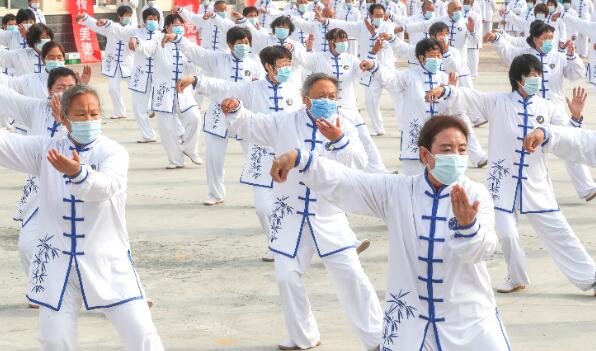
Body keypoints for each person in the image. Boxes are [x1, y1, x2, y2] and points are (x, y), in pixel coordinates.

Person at [270, 115, 512, 350]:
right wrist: (300, 158)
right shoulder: (398, 191)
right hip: (411, 321)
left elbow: (484, 250)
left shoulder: (476, 195)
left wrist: (468, 227)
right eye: (447, 149)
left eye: (462, 150)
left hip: (467, 320)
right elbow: (348, 181)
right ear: (424, 154)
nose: (456, 157)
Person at [219, 73, 383, 350]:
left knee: (353, 277)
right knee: (286, 277)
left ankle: (378, 340)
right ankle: (303, 337)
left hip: (328, 215)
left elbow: (357, 162)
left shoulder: (346, 125)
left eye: (332, 96)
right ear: (306, 99)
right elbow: (252, 124)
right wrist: (235, 109)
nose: (327, 101)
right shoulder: (286, 121)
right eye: (320, 96)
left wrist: (339, 138)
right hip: (290, 214)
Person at [0, 84, 164, 350]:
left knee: (141, 334)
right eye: (80, 114)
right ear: (63, 118)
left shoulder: (113, 152)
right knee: (54, 339)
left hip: (106, 261)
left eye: (94, 113)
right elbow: (6, 145)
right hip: (57, 265)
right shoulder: (47, 149)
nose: (89, 120)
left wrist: (78, 173)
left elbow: (106, 186)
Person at [425, 54, 596, 295]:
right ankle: (516, 277)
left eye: (538, 74)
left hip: (536, 184)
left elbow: (567, 136)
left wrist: (576, 117)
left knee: (560, 233)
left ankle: (591, 279)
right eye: (531, 75)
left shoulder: (548, 107)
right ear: (518, 79)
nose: (536, 79)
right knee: (507, 235)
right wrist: (445, 90)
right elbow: (469, 96)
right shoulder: (498, 102)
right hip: (501, 183)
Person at [485, 20, 596, 202]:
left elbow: (575, 74)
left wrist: (571, 56)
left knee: (570, 141)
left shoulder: (558, 56)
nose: (549, 41)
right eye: (546, 38)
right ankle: (529, 195)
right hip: (532, 109)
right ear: (535, 39)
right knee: (532, 154)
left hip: (556, 109)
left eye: (551, 37)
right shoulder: (525, 57)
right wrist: (497, 38)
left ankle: (587, 187)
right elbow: (507, 52)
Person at [166, 25, 264, 206]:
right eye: (239, 43)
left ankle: (262, 196)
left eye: (246, 42)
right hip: (219, 116)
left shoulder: (255, 65)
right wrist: (178, 39)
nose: (243, 45)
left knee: (255, 157)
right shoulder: (217, 59)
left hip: (245, 117)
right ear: (230, 44)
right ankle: (215, 194)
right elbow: (196, 52)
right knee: (213, 157)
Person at [292, 28, 387, 173]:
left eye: (345, 39)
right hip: (325, 108)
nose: (344, 42)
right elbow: (303, 58)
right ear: (331, 42)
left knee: (365, 138)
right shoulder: (318, 57)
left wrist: (372, 54)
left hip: (349, 108)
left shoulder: (351, 58)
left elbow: (362, 73)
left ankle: (379, 170)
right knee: (324, 141)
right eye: (340, 39)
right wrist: (292, 47)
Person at [360, 38, 450, 175]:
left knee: (439, 177)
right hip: (415, 137)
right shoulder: (410, 76)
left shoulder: (445, 78)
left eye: (439, 56)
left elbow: (453, 105)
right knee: (413, 179)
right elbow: (390, 79)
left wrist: (451, 91)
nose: (436, 59)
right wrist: (374, 66)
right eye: (432, 56)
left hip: (439, 135)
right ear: (421, 57)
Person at [78, 8, 161, 143]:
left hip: (131, 66)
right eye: (150, 19)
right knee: (116, 90)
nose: (152, 22)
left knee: (163, 104)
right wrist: (88, 18)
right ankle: (122, 114)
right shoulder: (129, 31)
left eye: (155, 19)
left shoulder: (149, 33)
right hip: (116, 66)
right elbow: (104, 26)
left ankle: (157, 114)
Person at [132, 13, 202, 169]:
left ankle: (191, 149)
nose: (179, 27)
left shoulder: (187, 44)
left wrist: (192, 61)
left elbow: (196, 66)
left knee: (195, 118)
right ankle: (175, 160)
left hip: (183, 92)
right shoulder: (158, 41)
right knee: (167, 129)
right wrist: (137, 42)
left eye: (181, 25)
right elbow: (145, 47)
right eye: (175, 24)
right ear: (167, 27)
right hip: (163, 93)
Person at [325, 3, 396, 136]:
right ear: (370, 15)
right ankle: (378, 128)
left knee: (398, 97)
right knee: (370, 100)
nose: (379, 18)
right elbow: (345, 25)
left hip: (386, 69)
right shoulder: (361, 26)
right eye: (376, 15)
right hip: (368, 70)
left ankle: (405, 125)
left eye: (381, 15)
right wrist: (326, 21)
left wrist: (374, 33)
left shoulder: (388, 26)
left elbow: (385, 45)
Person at [82, 5, 134, 120]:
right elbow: (96, 25)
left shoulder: (132, 29)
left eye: (130, 16)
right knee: (112, 88)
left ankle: (148, 109)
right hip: (113, 64)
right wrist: (85, 17)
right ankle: (120, 111)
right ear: (120, 16)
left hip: (128, 64)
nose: (128, 18)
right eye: (126, 16)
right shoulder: (110, 28)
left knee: (136, 87)